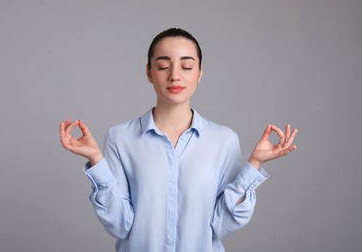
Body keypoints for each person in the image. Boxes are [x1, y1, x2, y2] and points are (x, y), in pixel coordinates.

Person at [60, 28, 298, 252]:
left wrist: (254, 164)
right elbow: (119, 225)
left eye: (186, 66)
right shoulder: (120, 137)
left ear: (200, 73)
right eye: (163, 66)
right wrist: (96, 161)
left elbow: (222, 224)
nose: (175, 75)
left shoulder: (223, 140)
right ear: (149, 72)